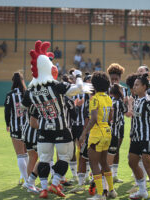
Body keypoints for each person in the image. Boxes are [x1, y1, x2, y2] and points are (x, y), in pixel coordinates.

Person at [21, 40, 92, 198]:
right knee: (65, 157)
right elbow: (79, 88)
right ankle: (54, 184)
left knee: (45, 160)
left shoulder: (30, 91)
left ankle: (44, 188)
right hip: (61, 129)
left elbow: (23, 106)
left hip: (44, 129)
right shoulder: (56, 86)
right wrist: (79, 76)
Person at [79, 71, 117, 200]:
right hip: (107, 132)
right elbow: (111, 116)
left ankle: (100, 194)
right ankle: (111, 190)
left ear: (94, 85)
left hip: (97, 134)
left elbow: (94, 118)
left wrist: (84, 133)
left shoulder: (94, 98)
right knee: (104, 162)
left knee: (94, 163)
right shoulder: (108, 98)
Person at [128, 74, 150, 200]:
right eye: (134, 85)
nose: (134, 87)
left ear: (144, 87)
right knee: (132, 162)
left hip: (146, 138)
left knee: (148, 166)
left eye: (137, 85)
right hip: (136, 138)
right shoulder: (136, 99)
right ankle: (142, 191)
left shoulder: (148, 101)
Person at [4, 72, 28, 186]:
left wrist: (7, 124)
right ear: (22, 80)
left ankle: (25, 179)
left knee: (20, 155)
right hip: (28, 127)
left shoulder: (10, 94)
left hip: (16, 127)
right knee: (27, 153)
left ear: (13, 81)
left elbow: (7, 111)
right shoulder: (27, 93)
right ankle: (26, 178)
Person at [107, 63, 128, 183]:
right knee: (107, 150)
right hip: (107, 125)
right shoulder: (105, 89)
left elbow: (125, 111)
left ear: (120, 79)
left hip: (120, 125)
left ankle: (114, 175)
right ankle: (106, 173)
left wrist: (125, 102)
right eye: (112, 79)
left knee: (117, 149)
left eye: (116, 79)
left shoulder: (124, 90)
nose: (114, 81)